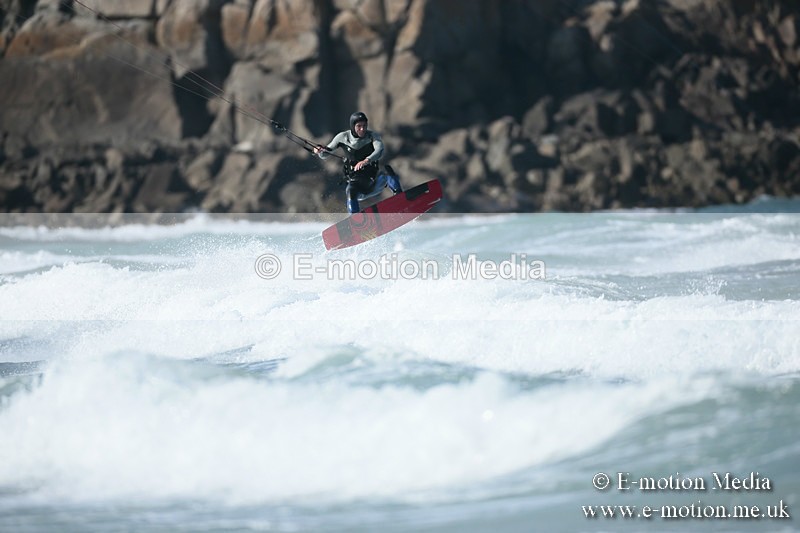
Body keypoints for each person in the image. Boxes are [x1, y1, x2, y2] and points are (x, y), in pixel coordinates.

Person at [314, 111, 402, 214]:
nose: (362, 129)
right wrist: (319, 151)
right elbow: (325, 153)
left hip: (374, 181)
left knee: (387, 170)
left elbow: (379, 150)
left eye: (364, 126)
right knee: (350, 190)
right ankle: (355, 220)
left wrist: (366, 160)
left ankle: (401, 199)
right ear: (352, 126)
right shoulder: (342, 137)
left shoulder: (372, 136)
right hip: (357, 184)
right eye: (359, 126)